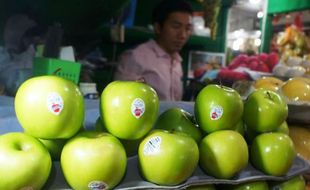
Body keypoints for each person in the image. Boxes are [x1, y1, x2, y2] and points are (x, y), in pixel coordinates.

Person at [114, 0, 193, 101]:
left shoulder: (177, 61)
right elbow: (122, 99)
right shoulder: (136, 57)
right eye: (176, 27)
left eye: (188, 28)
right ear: (158, 28)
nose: (183, 35)